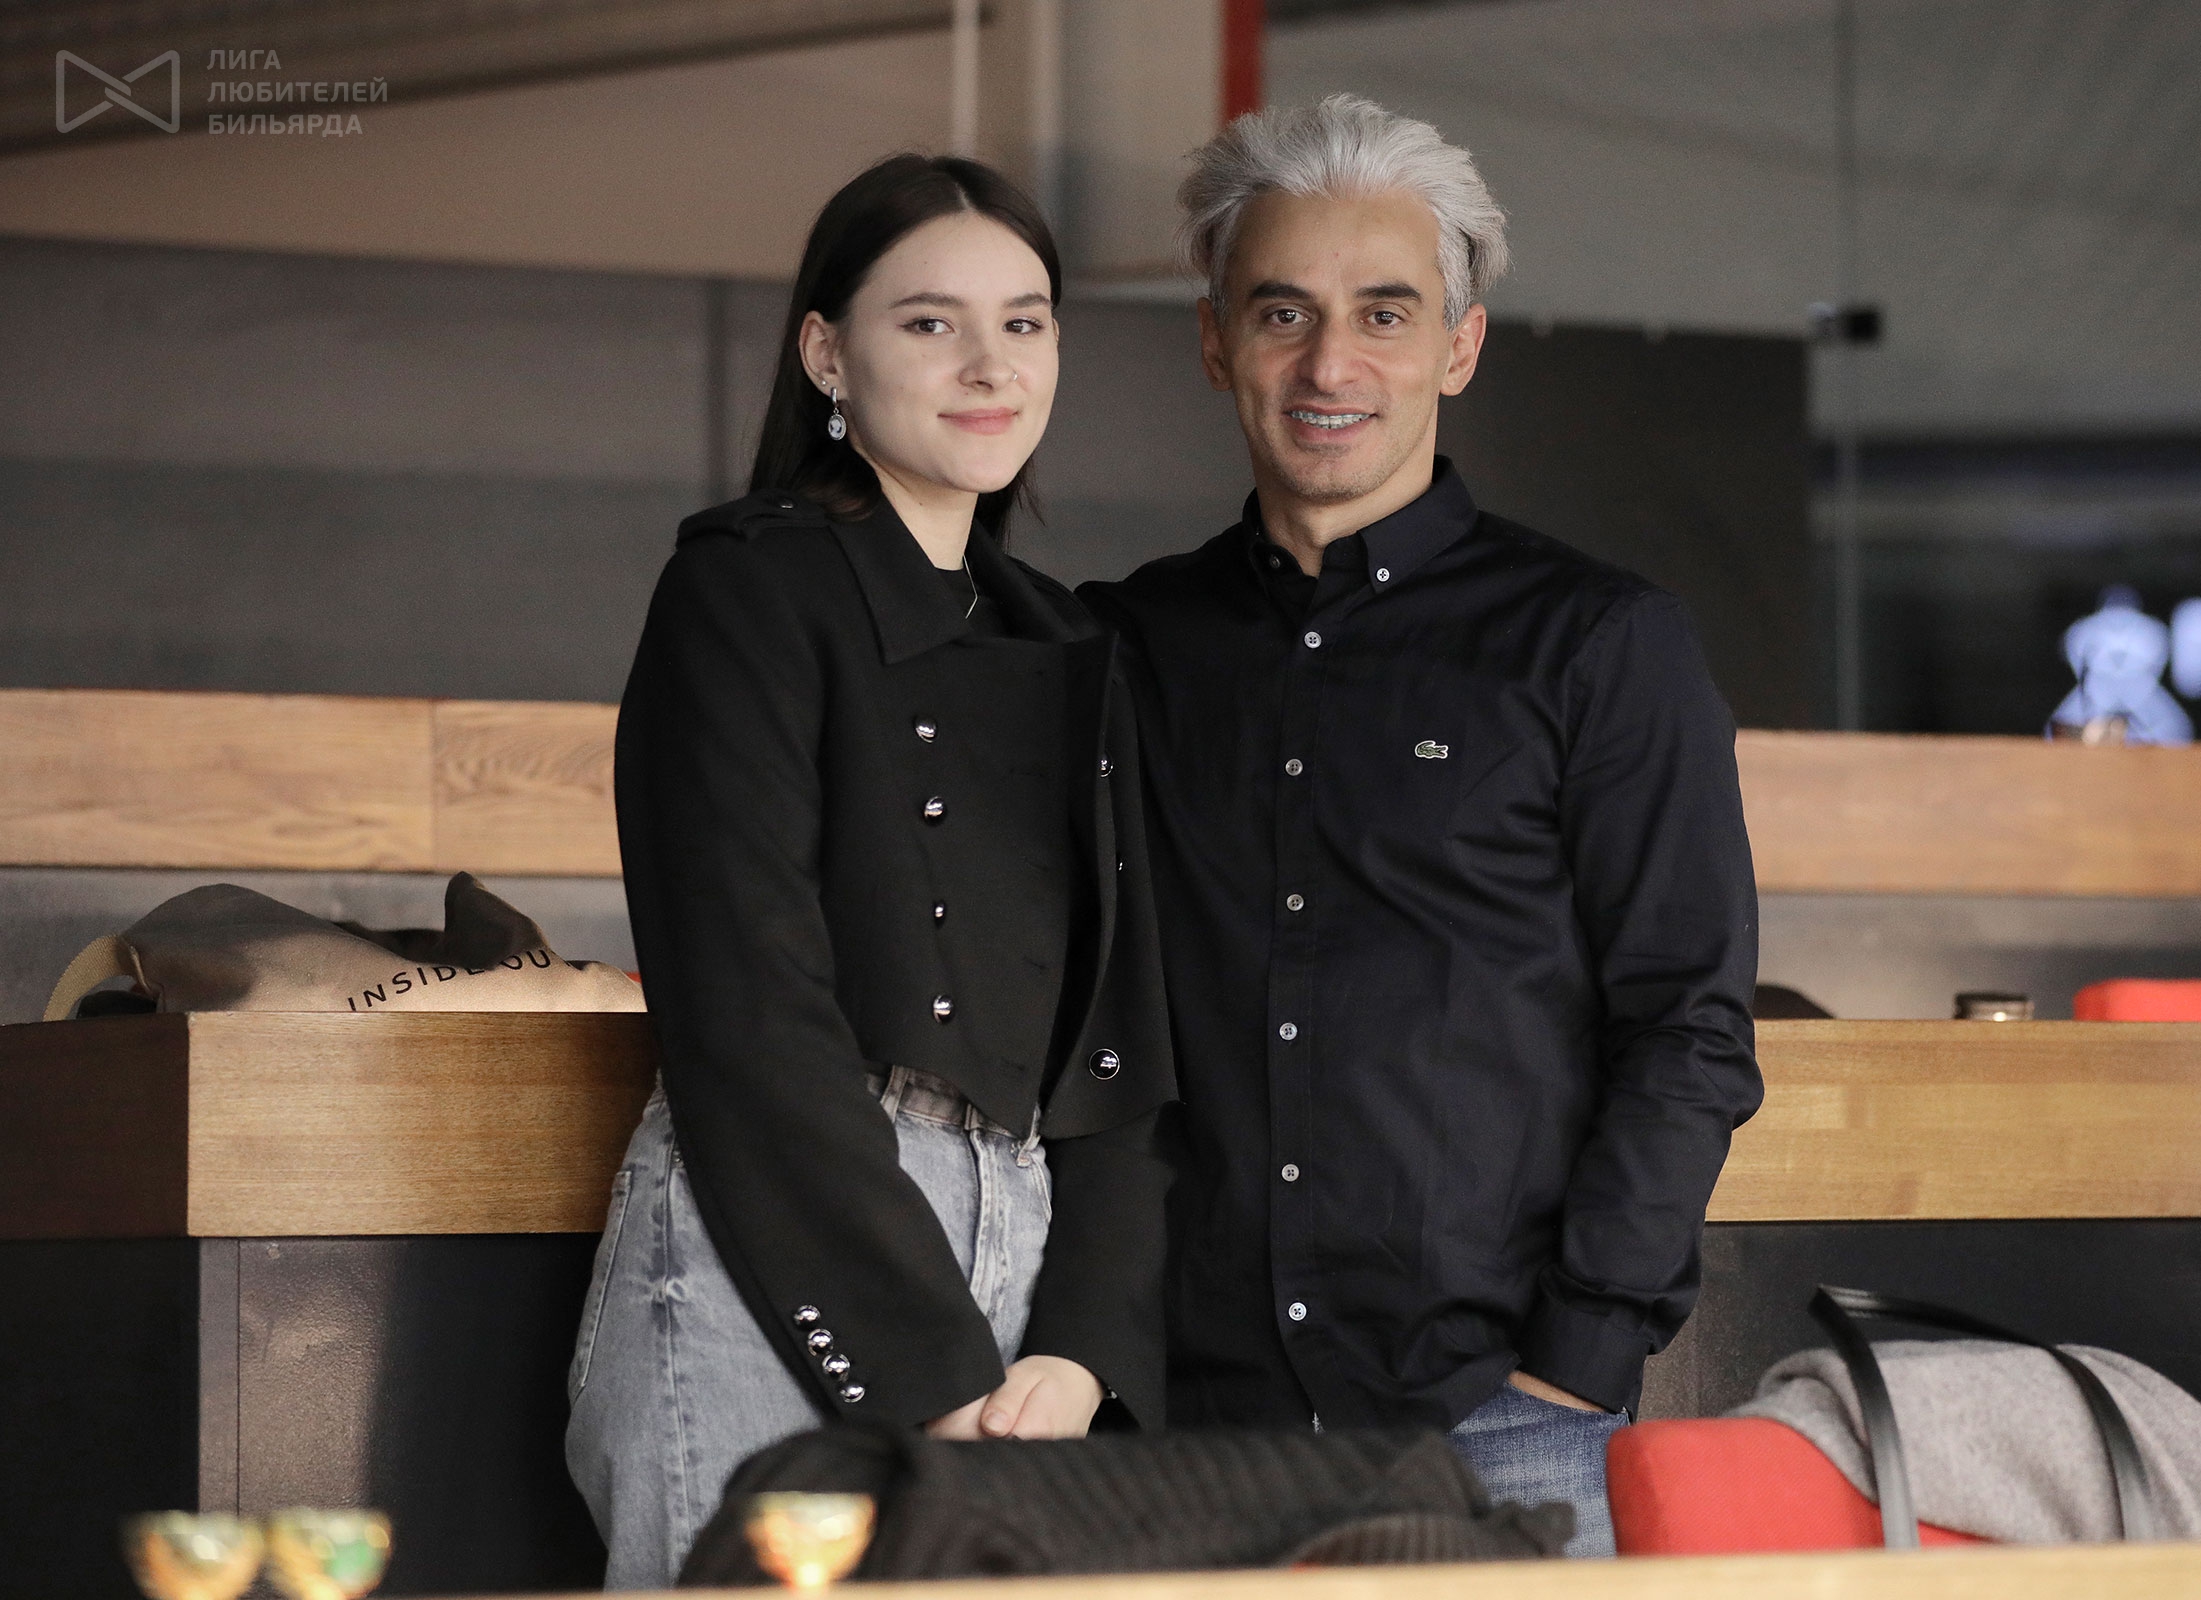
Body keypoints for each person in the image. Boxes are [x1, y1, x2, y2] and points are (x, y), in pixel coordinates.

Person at [1079, 95, 1763, 1557]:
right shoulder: (1125, 648)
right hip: (1182, 1435)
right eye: (1282, 313)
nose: (1331, 364)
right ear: (1215, 343)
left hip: (1502, 1424)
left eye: (1384, 314)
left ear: (1459, 345)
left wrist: (1575, 1359)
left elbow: (1688, 1029)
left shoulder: (1601, 645)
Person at [567, 154, 1175, 1589]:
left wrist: (1088, 1345)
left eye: (1024, 323)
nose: (989, 364)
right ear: (826, 352)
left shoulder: (1072, 638)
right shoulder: (744, 589)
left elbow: (1121, 1036)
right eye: (929, 322)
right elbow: (751, 1014)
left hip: (1028, 1263)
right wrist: (925, 1367)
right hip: (780, 1255)